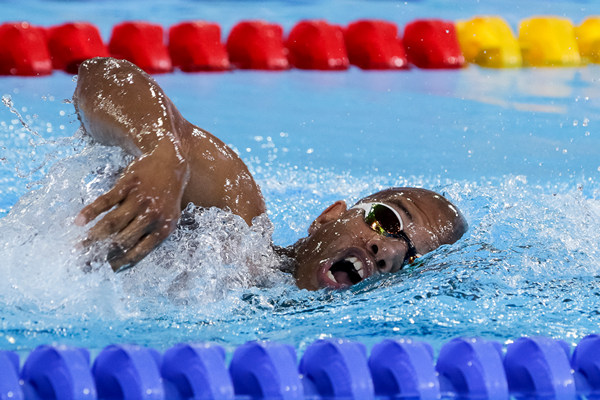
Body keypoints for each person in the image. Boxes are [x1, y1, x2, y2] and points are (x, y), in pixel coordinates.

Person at [73, 57, 468, 291]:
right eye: (387, 220)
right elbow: (103, 75)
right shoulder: (233, 224)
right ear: (327, 217)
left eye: (411, 259)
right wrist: (162, 151)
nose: (391, 252)